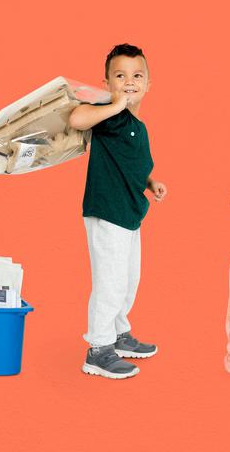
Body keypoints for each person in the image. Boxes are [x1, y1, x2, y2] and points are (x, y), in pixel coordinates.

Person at [68, 43, 167, 379]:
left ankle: (119, 334)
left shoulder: (139, 125)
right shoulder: (111, 115)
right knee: (109, 282)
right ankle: (98, 349)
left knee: (128, 280)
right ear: (107, 83)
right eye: (120, 76)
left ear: (149, 84)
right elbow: (77, 118)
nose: (129, 81)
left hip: (130, 213)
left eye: (137, 76)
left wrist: (150, 182)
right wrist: (115, 104)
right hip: (107, 211)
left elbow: (133, 165)